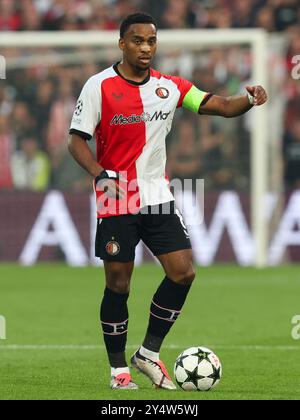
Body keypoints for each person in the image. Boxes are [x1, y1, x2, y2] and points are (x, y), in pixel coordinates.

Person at [68, 12, 267, 390]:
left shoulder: (170, 86)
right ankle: (117, 370)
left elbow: (221, 105)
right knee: (119, 283)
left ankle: (147, 354)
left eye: (151, 41)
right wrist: (98, 172)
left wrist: (248, 99)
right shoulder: (99, 86)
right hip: (116, 192)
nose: (146, 48)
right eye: (138, 40)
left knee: (183, 271)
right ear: (122, 43)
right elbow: (75, 139)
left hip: (157, 194)